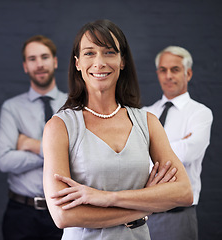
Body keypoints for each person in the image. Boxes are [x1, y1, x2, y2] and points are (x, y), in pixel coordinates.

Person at [42, 19, 193, 240]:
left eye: (109, 52)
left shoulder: (147, 121)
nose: (99, 62)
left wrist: (107, 198)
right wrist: (145, 206)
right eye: (89, 53)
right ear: (77, 63)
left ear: (122, 61)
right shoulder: (60, 126)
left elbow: (183, 193)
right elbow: (63, 214)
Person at [0, 35, 67, 239]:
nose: (39, 64)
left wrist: (28, 144)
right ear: (25, 66)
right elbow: (4, 160)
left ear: (54, 61)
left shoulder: (73, 106)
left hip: (64, 211)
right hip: (21, 214)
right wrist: (55, 153)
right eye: (32, 59)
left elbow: (78, 157)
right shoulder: (11, 108)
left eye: (44, 57)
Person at [143, 46, 213, 240]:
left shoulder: (200, 113)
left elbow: (187, 153)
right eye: (163, 70)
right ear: (158, 74)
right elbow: (134, 157)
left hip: (178, 217)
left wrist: (148, 151)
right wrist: (178, 143)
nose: (168, 76)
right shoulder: (146, 113)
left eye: (175, 69)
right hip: (142, 216)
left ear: (188, 73)